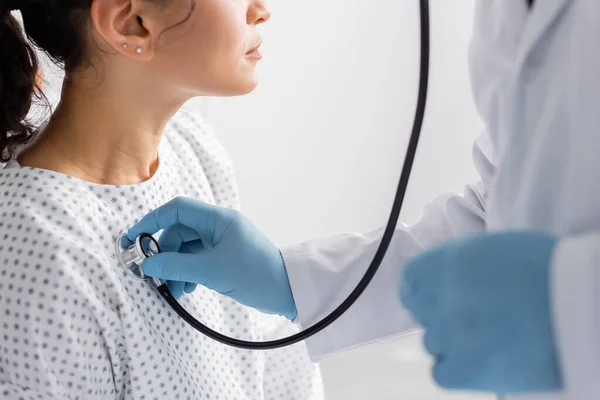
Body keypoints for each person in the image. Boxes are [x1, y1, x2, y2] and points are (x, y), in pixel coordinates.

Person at [125, 0, 600, 399]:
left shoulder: (194, 149)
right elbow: (510, 205)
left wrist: (576, 299)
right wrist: (290, 281)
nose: (263, 10)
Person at [0, 1, 324, 399]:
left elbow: (277, 369)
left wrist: (287, 289)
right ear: (131, 24)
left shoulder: (192, 147)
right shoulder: (40, 252)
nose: (261, 9)